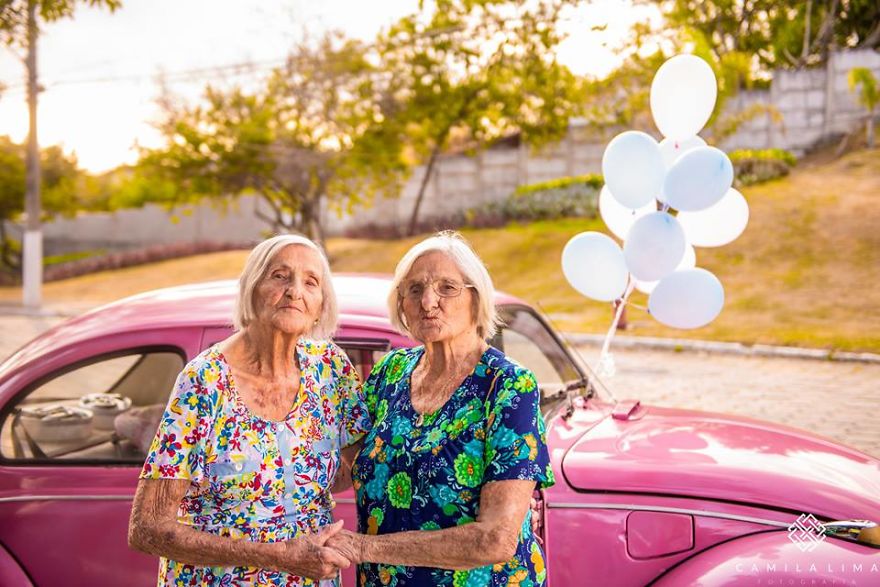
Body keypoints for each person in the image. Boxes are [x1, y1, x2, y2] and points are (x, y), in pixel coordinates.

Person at [128, 234, 370, 586]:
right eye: (280, 276)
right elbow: (147, 527)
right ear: (251, 288)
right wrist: (277, 554)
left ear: (321, 305)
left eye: (310, 282)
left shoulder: (331, 368)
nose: (294, 291)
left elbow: (360, 465)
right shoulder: (205, 381)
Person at [328, 231, 554, 586]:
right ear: (401, 303)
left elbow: (496, 539)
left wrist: (362, 548)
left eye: (447, 288)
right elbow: (342, 466)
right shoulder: (390, 373)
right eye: (414, 290)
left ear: (476, 299)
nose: (428, 302)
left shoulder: (508, 386)